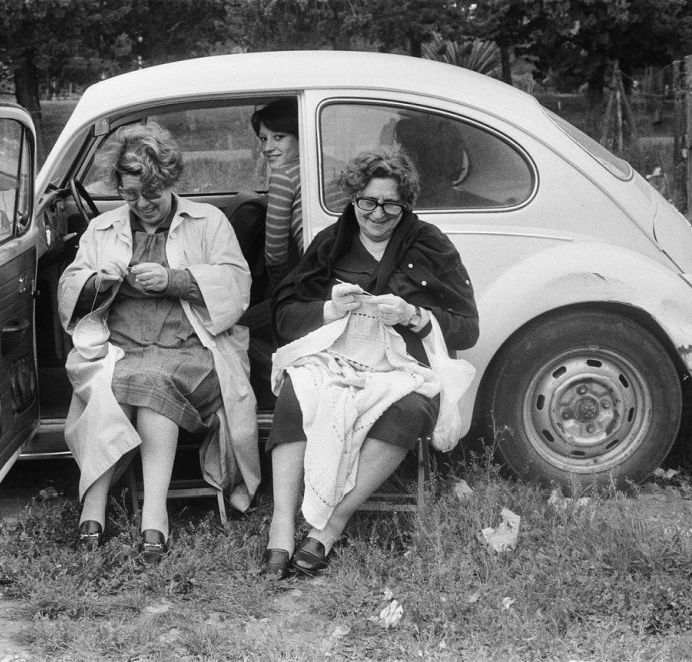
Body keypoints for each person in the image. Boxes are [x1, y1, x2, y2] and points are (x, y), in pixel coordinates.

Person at [259, 147, 479, 579]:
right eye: (368, 202)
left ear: (406, 203)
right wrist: (328, 309)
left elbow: (468, 328)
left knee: (410, 409)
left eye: (391, 204)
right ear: (354, 198)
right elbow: (284, 316)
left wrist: (413, 316)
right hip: (336, 358)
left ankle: (329, 526)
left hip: (404, 369)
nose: (378, 214)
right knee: (297, 392)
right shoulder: (331, 242)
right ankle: (281, 523)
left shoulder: (431, 245)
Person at [57, 122, 260, 563]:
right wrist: (97, 281)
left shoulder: (208, 221)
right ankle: (108, 507)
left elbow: (237, 286)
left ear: (170, 181)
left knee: (147, 381)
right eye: (131, 195)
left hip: (193, 351)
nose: (142, 205)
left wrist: (177, 280)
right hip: (122, 348)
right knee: (123, 378)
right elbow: (69, 287)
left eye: (151, 195)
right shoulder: (102, 228)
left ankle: (148, 512)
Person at [251, 98, 303, 289]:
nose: (267, 148)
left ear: (301, 135)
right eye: (264, 139)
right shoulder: (330, 164)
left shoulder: (284, 177)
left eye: (279, 137)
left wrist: (282, 294)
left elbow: (274, 257)